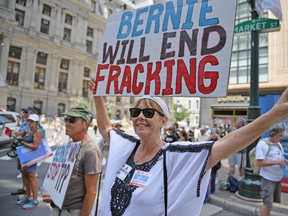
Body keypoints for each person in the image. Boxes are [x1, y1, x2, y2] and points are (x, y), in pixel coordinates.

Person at [90, 79, 288, 216]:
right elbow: (106, 127)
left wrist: (273, 115)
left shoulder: (176, 155)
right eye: (136, 112)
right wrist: (98, 96)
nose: (141, 116)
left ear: (163, 121)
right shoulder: (126, 146)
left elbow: (228, 143)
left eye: (149, 112)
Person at [48, 103, 102, 216]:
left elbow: (91, 192)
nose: (67, 123)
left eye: (72, 120)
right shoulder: (71, 144)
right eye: (66, 119)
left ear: (85, 124)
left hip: (73, 211)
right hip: (58, 207)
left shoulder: (90, 151)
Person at [256, 125, 286, 216]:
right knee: (267, 203)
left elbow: (280, 158)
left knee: (269, 203)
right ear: (274, 134)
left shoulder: (278, 144)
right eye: (280, 135)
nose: (282, 137)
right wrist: (277, 162)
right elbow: (259, 163)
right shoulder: (262, 144)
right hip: (268, 178)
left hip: (277, 177)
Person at [16, 114, 43, 210]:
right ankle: (28, 197)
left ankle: (35, 201)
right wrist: (18, 136)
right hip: (24, 156)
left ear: (36, 122)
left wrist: (23, 143)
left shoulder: (38, 131)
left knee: (32, 178)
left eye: (32, 121)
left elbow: (35, 146)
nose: (29, 122)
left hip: (31, 157)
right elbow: (19, 135)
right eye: (29, 121)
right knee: (25, 176)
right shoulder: (28, 130)